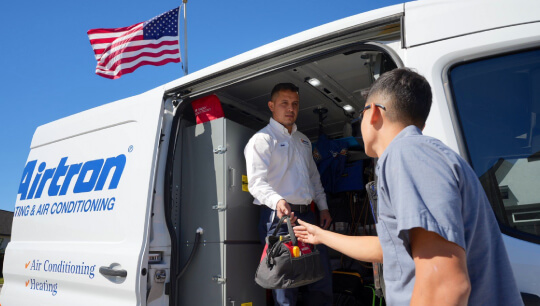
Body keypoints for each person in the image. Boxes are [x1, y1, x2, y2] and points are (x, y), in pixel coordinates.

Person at [294, 68, 523, 305]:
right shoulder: (419, 153)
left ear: (373, 113)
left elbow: (444, 285)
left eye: (359, 115)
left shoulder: (406, 154)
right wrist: (321, 235)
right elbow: (391, 248)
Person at [244, 83, 333, 306]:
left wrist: (323, 207)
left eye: (295, 104)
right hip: (280, 219)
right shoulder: (262, 140)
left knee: (319, 276)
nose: (290, 108)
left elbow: (314, 178)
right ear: (271, 106)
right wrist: (278, 200)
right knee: (285, 286)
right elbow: (256, 183)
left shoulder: (303, 140)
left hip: (308, 219)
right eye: (284, 103)